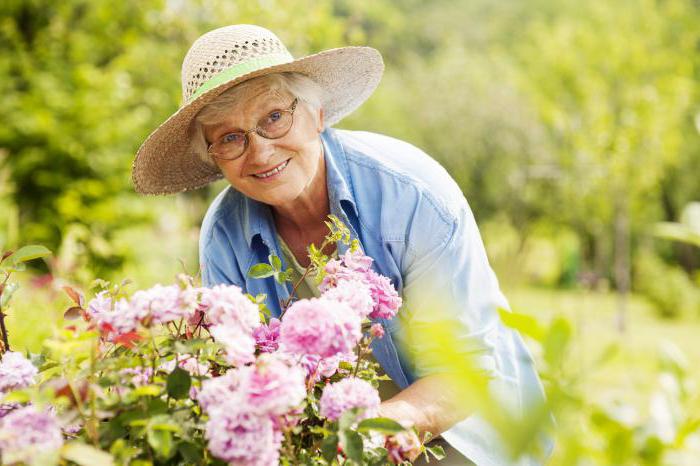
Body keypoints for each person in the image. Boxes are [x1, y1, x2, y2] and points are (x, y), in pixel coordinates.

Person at [132, 24, 549, 465]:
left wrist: (360, 439)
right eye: (230, 138)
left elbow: (466, 373)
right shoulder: (223, 235)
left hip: (467, 433)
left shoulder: (409, 194)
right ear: (212, 156)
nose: (260, 152)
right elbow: (243, 378)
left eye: (273, 118)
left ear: (316, 114)